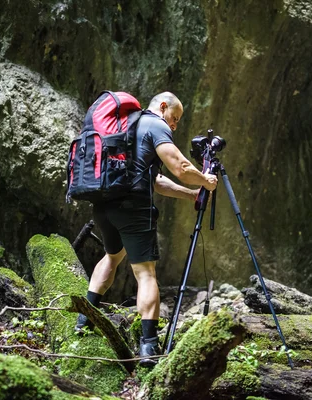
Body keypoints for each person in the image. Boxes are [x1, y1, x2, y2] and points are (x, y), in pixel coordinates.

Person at [74, 92, 218, 366]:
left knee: (113, 257)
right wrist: (206, 180)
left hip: (103, 205)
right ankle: (149, 347)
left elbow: (155, 179)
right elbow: (181, 166)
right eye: (174, 118)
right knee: (145, 273)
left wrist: (191, 194)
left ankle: (84, 320)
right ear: (163, 107)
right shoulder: (156, 125)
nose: (174, 125)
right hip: (133, 209)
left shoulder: (128, 126)